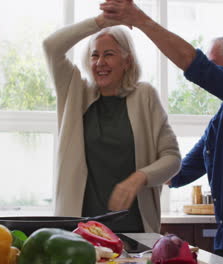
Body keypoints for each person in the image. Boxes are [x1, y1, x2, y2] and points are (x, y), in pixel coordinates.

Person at [100, 1, 223, 263]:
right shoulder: (219, 123)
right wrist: (133, 171)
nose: (209, 75)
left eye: (216, 66)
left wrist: (140, 19)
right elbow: (177, 172)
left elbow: (196, 67)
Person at [42, 13, 181, 233]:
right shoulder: (75, 91)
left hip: (135, 231)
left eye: (109, 54)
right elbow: (51, 46)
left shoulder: (145, 95)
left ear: (127, 61)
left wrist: (140, 178)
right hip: (79, 232)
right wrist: (101, 22)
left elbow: (172, 158)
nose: (100, 63)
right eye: (94, 55)